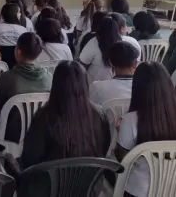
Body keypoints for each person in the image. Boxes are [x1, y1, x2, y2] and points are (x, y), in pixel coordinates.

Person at [12, 61, 110, 194]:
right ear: (85, 85)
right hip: (88, 188)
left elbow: (29, 160)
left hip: (49, 190)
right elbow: (103, 150)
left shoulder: (44, 117)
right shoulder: (100, 115)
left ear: (56, 85)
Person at [116, 62, 176, 197]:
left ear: (137, 89)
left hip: (139, 191)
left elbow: (123, 160)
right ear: (169, 87)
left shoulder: (130, 121)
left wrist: (119, 131)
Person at [0, 32, 52, 143]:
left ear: (18, 52)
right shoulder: (49, 77)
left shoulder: (6, 78)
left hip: (12, 133)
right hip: (40, 131)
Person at [80, 13, 141, 83]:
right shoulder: (130, 42)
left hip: (95, 85)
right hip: (123, 85)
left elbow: (82, 65)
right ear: (120, 29)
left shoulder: (94, 42)